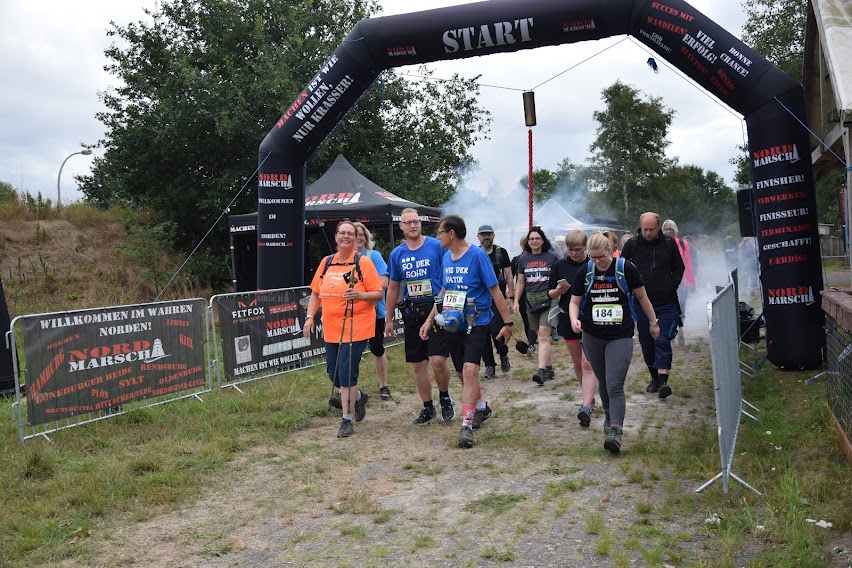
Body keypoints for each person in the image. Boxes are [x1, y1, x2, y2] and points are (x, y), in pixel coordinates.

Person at [420, 215, 512, 448]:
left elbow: (495, 291)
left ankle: (466, 426)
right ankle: (481, 407)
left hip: (477, 322)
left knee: (471, 370)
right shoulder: (446, 257)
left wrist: (507, 324)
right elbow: (444, 290)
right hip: (453, 322)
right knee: (462, 371)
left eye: (440, 232)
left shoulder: (477, 256)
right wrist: (429, 319)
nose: (437, 237)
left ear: (451, 233)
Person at [569, 232, 659, 454]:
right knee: (603, 380)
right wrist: (574, 319)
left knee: (614, 384)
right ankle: (609, 415)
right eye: (593, 257)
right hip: (593, 335)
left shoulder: (625, 268)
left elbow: (642, 297)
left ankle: (616, 431)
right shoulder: (585, 271)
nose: (597, 261)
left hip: (620, 334)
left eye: (601, 257)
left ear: (610, 250)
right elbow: (574, 301)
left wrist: (653, 322)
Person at [303, 220, 384, 438]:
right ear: (336, 236)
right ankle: (358, 396)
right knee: (334, 373)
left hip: (357, 326)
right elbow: (316, 293)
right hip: (331, 327)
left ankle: (346, 420)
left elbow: (378, 293)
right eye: (342, 233)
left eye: (350, 233)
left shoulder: (363, 262)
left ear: (356, 237)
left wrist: (360, 295)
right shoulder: (327, 262)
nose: (346, 236)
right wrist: (310, 317)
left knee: (347, 372)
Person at [385, 208, 457, 425]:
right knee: (418, 364)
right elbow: (393, 287)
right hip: (412, 312)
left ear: (420, 223)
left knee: (438, 360)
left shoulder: (436, 246)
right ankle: (427, 407)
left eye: (415, 221)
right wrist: (388, 319)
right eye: (408, 222)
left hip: (437, 309)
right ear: (401, 226)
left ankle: (445, 397)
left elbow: (450, 272)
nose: (413, 225)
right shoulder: (397, 254)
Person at [621, 212, 684, 399]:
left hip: (665, 302)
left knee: (662, 339)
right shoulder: (632, 245)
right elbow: (622, 268)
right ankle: (654, 378)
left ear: (659, 228)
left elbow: (679, 267)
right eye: (645, 229)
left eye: (652, 229)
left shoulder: (669, 244)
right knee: (647, 342)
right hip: (640, 304)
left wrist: (672, 285)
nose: (648, 233)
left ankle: (664, 382)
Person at [548, 230, 598, 427]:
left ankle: (586, 403)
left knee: (588, 363)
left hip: (591, 317)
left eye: (578, 249)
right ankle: (588, 396)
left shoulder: (593, 264)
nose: (574, 253)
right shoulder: (560, 265)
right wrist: (558, 290)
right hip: (567, 317)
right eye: (571, 250)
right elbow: (550, 294)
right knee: (578, 362)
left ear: (585, 247)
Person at [513, 226, 559, 385]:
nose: (534, 241)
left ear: (543, 240)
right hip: (530, 300)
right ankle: (550, 368)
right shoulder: (523, 259)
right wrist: (516, 301)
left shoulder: (552, 257)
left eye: (537, 238)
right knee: (541, 336)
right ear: (528, 241)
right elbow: (520, 282)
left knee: (544, 336)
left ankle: (541, 371)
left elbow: (558, 277)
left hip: (549, 298)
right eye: (531, 239)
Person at [353, 222, 391, 400]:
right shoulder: (342, 258)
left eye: (361, 234)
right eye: (355, 234)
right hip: (353, 313)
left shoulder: (373, 255)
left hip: (375, 312)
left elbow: (385, 282)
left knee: (377, 348)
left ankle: (384, 385)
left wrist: (363, 291)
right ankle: (351, 390)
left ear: (366, 237)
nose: (358, 237)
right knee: (352, 352)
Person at [477, 224, 514, 378]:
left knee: (497, 330)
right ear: (478, 237)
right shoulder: (475, 254)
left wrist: (512, 299)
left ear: (493, 235)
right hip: (480, 300)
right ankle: (489, 365)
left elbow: (509, 276)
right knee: (482, 334)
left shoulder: (501, 252)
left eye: (489, 234)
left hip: (497, 299)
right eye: (483, 234)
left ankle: (503, 354)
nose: (486, 237)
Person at [662, 220, 695, 346]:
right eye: (666, 229)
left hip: (681, 282)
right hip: (664, 282)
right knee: (668, 308)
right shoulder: (660, 243)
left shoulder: (682, 244)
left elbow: (688, 264)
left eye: (671, 229)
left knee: (681, 307)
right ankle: (671, 333)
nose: (668, 231)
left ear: (675, 230)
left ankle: (680, 330)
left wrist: (691, 282)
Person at [511, 236, 536, 356]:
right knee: (526, 319)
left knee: (532, 318)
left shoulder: (535, 259)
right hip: (521, 293)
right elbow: (510, 276)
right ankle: (531, 342)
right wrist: (510, 291)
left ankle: (532, 343)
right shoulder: (517, 260)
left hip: (534, 292)